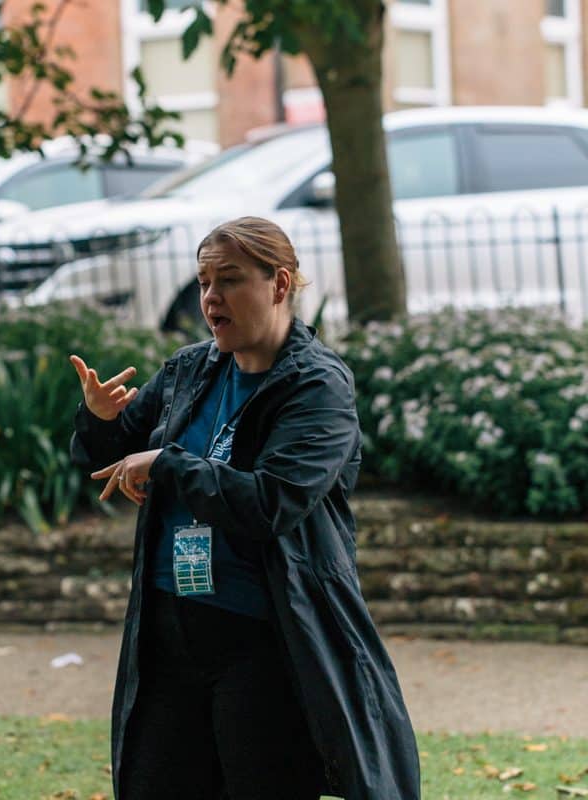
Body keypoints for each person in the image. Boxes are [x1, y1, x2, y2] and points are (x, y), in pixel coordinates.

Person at [70, 216, 420, 800]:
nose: (211, 298)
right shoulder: (191, 369)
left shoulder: (318, 388)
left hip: (264, 637)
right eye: (204, 282)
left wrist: (166, 465)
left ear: (279, 284)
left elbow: (271, 501)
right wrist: (102, 422)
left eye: (229, 280)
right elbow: (119, 455)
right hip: (169, 630)